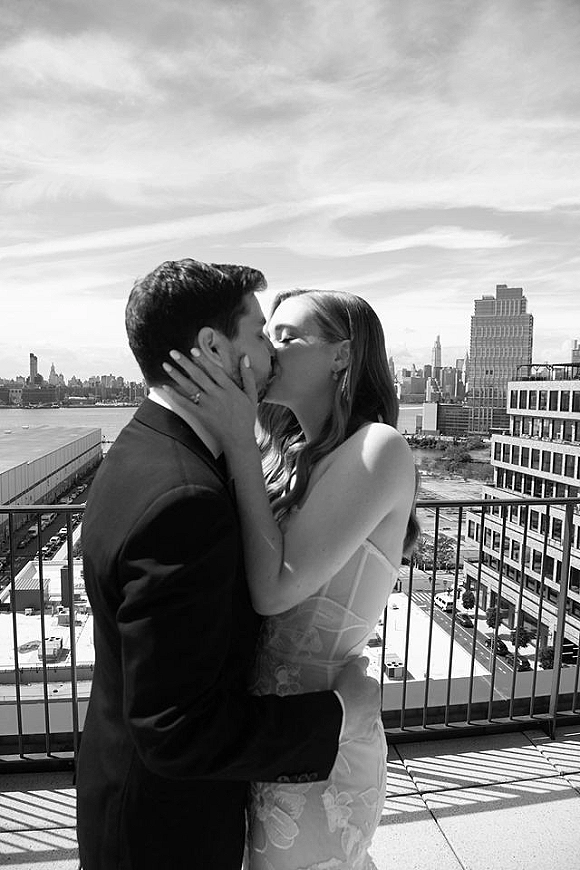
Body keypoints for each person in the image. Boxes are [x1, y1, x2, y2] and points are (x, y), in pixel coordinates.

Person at [75, 260, 380, 870]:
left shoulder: (144, 448)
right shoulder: (185, 495)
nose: (270, 352)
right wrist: (338, 714)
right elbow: (175, 729)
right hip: (168, 834)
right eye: (261, 333)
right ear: (215, 347)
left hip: (129, 799)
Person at [163, 286, 418, 869]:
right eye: (266, 335)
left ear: (341, 355)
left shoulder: (378, 448)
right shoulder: (289, 453)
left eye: (288, 336)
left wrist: (237, 435)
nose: (270, 350)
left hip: (323, 734)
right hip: (268, 732)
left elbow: (274, 588)